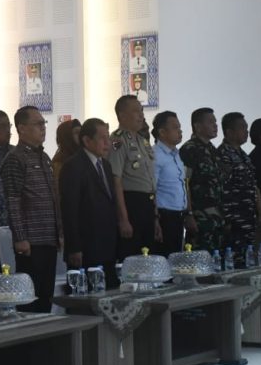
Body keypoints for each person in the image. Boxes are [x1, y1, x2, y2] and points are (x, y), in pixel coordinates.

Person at [0, 106, 59, 313]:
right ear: (22, 128)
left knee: (46, 296)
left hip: (49, 237)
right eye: (38, 124)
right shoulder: (15, 158)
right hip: (31, 241)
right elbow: (13, 201)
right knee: (30, 299)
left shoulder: (44, 157)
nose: (43, 128)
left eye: (44, 123)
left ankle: (45, 334)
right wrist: (20, 237)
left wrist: (59, 232)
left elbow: (53, 199)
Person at [60, 118, 119, 288]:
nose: (107, 143)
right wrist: (74, 247)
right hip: (86, 246)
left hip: (107, 244)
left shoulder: (105, 165)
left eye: (108, 137)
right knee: (86, 295)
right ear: (86, 140)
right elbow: (69, 209)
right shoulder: (73, 166)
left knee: (111, 291)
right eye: (102, 138)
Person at [108, 95, 160, 261]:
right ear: (122, 116)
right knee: (132, 259)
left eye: (142, 111)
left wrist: (155, 218)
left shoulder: (143, 141)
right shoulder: (117, 141)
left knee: (149, 258)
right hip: (131, 205)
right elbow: (116, 180)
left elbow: (151, 183)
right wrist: (123, 219)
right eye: (136, 111)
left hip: (148, 205)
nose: (141, 115)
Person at [180, 108, 225, 252]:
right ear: (198, 126)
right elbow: (185, 183)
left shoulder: (213, 150)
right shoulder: (189, 149)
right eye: (211, 122)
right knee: (199, 258)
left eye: (215, 122)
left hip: (217, 217)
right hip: (200, 217)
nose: (215, 125)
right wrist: (188, 214)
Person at [218, 113, 258, 260]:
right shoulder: (223, 155)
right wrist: (227, 219)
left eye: (246, 128)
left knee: (247, 258)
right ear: (229, 132)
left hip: (248, 216)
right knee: (232, 259)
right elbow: (223, 189)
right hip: (234, 219)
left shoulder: (244, 155)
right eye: (242, 128)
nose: (246, 131)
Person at [152, 111, 192, 255]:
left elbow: (183, 185)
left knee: (176, 257)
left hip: (178, 216)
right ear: (162, 132)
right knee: (165, 258)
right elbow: (152, 189)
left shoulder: (176, 154)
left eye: (179, 127)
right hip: (164, 216)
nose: (180, 131)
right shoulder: (155, 155)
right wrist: (155, 218)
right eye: (175, 127)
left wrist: (188, 212)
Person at [51, 119, 82, 185]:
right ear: (67, 136)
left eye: (81, 132)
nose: (81, 136)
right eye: (76, 133)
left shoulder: (83, 157)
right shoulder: (59, 164)